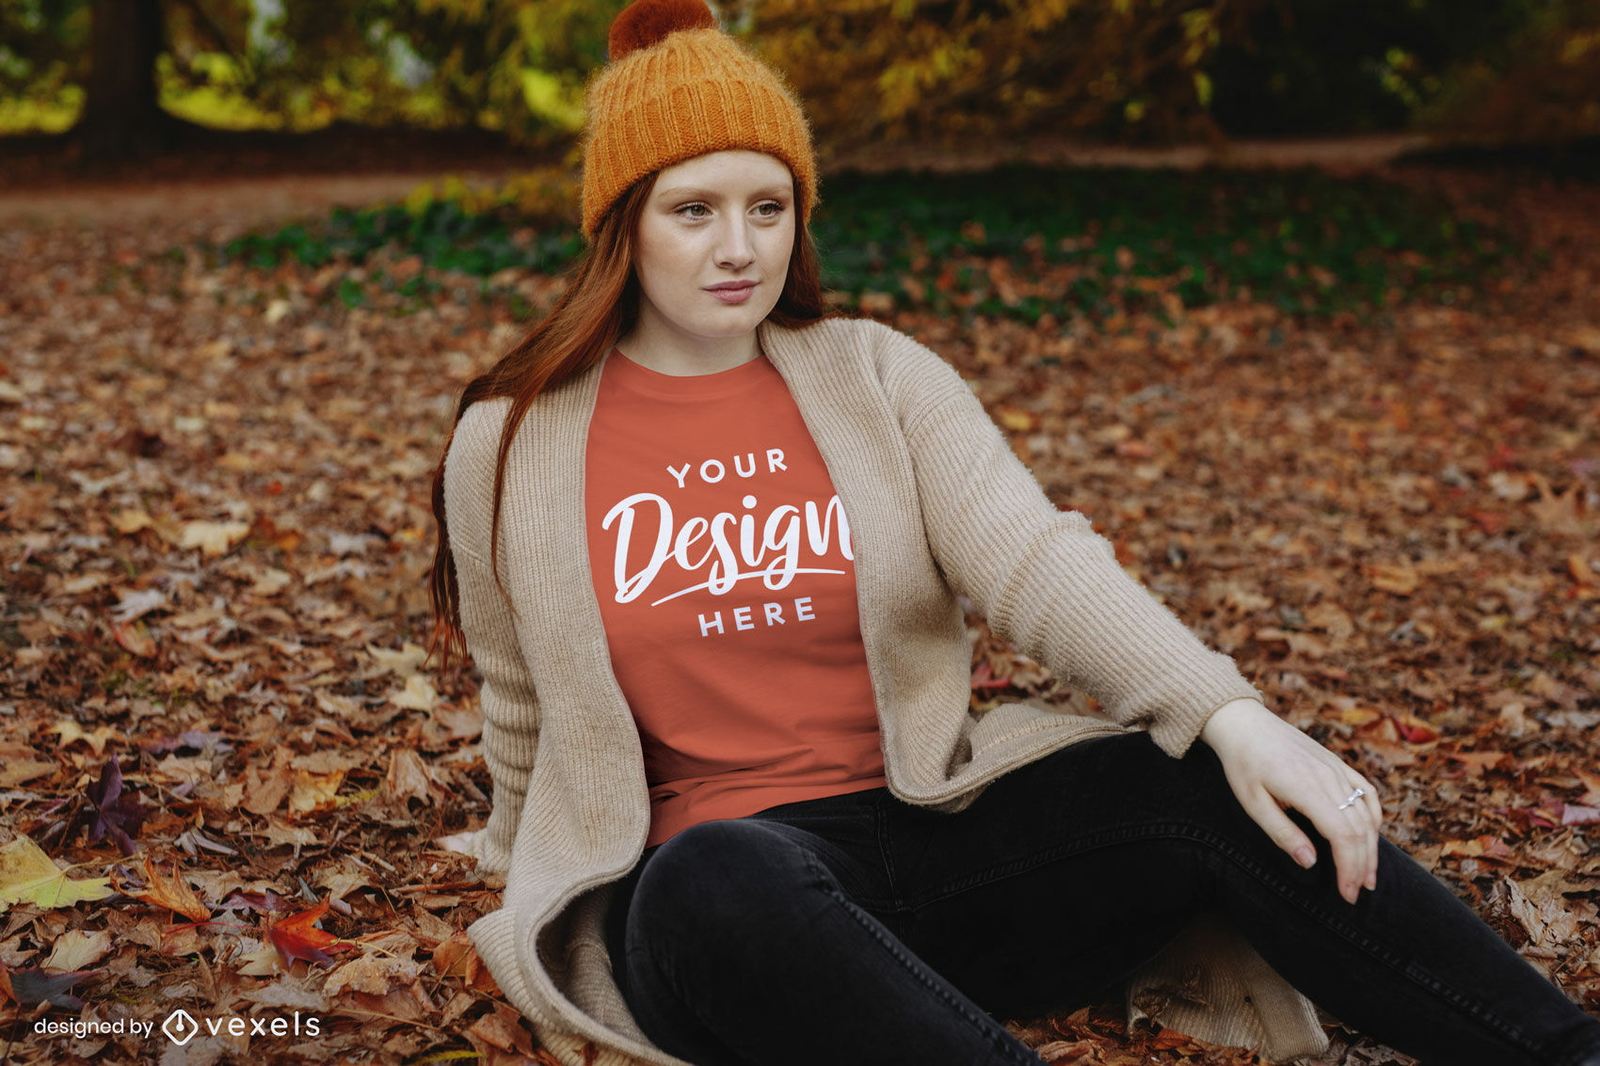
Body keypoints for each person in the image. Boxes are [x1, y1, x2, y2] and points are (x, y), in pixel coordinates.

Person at [426, 1, 1600, 1064]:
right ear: (622, 225)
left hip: (930, 850)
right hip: (725, 913)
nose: (740, 248)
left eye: (767, 207)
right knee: (722, 868)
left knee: (1197, 776)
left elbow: (1031, 555)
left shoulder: (873, 376)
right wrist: (519, 856)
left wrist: (1234, 718)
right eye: (694, 210)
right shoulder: (515, 442)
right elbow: (519, 693)